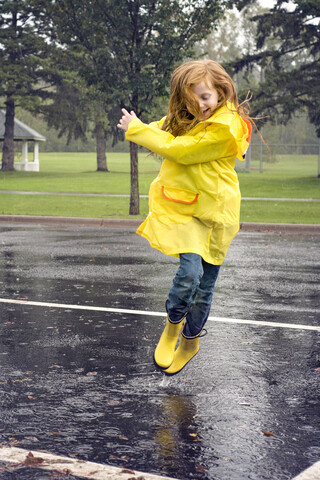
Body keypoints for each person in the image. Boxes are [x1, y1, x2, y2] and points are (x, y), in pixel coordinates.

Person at [117, 59, 252, 375]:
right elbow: (164, 131)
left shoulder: (226, 128)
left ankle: (190, 341)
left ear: (221, 92)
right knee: (189, 273)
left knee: (205, 289)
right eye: (192, 100)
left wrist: (136, 131)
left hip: (218, 215)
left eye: (205, 98)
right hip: (188, 211)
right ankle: (172, 328)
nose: (200, 106)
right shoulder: (188, 116)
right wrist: (141, 125)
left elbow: (182, 150)